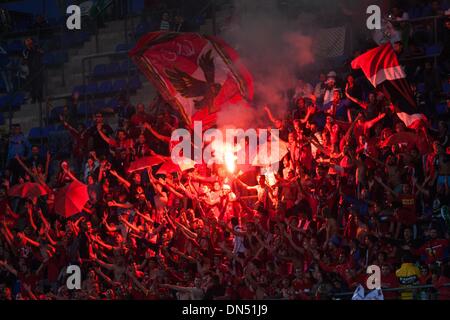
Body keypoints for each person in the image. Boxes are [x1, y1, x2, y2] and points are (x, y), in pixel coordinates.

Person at [22, 38, 44, 103]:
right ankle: (34, 99)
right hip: (31, 71)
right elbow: (24, 60)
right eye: (28, 44)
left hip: (39, 69)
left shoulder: (37, 48)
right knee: (33, 86)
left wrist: (36, 50)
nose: (29, 45)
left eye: (30, 43)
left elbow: (42, 53)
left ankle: (40, 98)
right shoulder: (25, 51)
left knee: (40, 85)